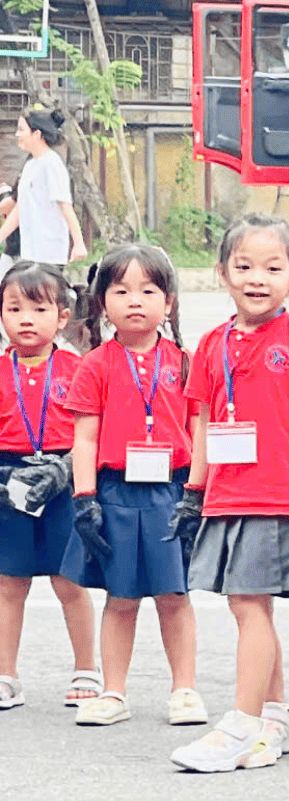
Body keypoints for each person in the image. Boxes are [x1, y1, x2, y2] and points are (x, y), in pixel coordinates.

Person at [169, 217, 289, 771]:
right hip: (226, 493)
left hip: (280, 495)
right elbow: (201, 420)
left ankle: (242, 727)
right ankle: (275, 717)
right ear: (223, 274)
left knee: (249, 604)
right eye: (244, 266)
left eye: (273, 268)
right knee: (249, 606)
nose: (257, 278)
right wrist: (194, 490)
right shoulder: (210, 344)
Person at [61, 245, 205, 727]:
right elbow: (84, 437)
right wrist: (84, 499)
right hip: (114, 492)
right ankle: (114, 691)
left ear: (169, 302)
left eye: (148, 290)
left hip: (171, 491)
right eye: (121, 290)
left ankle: (184, 690)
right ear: (102, 301)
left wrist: (197, 493)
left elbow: (198, 430)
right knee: (120, 598)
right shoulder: (94, 364)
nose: (135, 300)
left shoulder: (185, 362)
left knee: (174, 595)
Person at [0, 263, 96, 709]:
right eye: (14, 308)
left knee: (68, 581)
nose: (25, 319)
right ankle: (6, 674)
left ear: (62, 316)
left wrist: (73, 476)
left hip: (63, 478)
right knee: (8, 584)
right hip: (9, 481)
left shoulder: (81, 369)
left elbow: (91, 434)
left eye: (38, 308)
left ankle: (86, 669)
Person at [0, 108, 88, 281]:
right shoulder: (30, 165)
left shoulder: (52, 164)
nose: (17, 134)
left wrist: (79, 244)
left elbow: (66, 207)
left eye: (21, 130)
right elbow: (19, 210)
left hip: (50, 253)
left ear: (37, 134)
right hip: (29, 252)